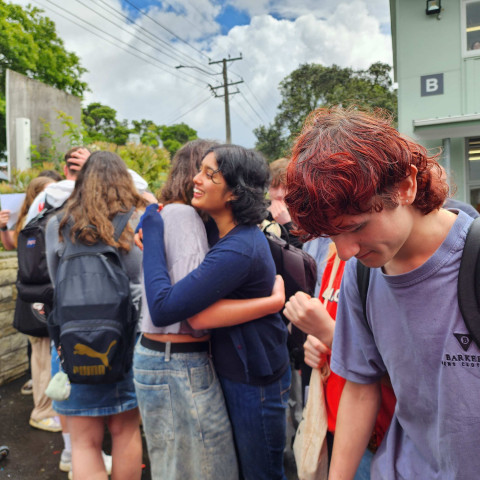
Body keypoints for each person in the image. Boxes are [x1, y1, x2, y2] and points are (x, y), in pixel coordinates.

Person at [285, 105, 480, 479]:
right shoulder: (361, 275)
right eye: (332, 236)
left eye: (356, 227)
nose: (345, 251)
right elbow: (360, 385)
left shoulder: (472, 260)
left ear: (405, 186)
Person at [141, 144, 291, 480]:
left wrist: (152, 234)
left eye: (210, 175)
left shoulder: (238, 248)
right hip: (239, 370)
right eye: (200, 170)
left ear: (235, 194)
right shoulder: (223, 233)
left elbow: (165, 308)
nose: (196, 178)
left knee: (260, 473)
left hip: (254, 380)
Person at [46, 151, 146, 480]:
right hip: (125, 342)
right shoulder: (136, 220)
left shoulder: (57, 224)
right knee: (125, 430)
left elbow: (56, 281)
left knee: (84, 441)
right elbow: (140, 285)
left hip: (71, 341)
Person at [284, 243, 396, 479]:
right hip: (336, 423)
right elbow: (332, 329)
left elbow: (408, 374)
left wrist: (331, 336)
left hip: (381, 436)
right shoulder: (336, 257)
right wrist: (315, 344)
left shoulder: (383, 262)